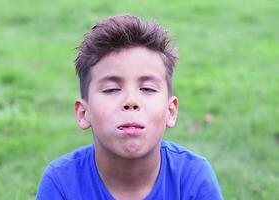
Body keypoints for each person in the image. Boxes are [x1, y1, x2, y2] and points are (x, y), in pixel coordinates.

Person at [36, 14, 223, 200]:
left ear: (171, 111)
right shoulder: (61, 183)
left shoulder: (193, 178)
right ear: (84, 113)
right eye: (111, 89)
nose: (131, 101)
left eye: (148, 89)